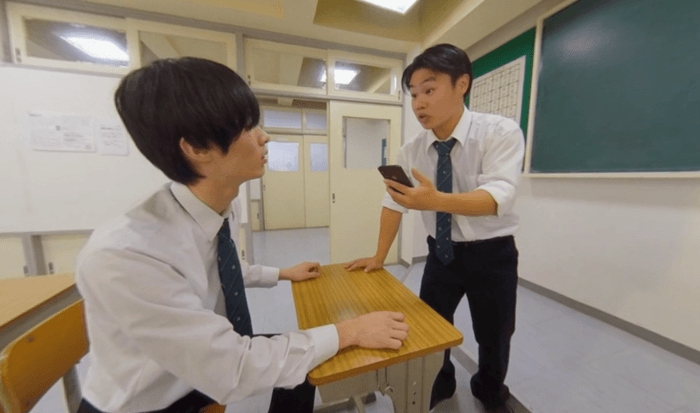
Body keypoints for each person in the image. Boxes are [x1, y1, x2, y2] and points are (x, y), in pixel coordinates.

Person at [75, 57, 410, 413]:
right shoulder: (126, 256)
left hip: (198, 364)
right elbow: (231, 369)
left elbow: (223, 270)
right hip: (152, 402)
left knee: (304, 368)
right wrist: (350, 331)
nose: (264, 137)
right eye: (248, 128)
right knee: (316, 350)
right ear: (198, 149)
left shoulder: (219, 205)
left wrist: (283, 273)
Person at [345, 44, 524, 413]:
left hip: (492, 255)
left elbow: (497, 197)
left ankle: (490, 391)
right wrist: (379, 257)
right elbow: (394, 203)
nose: (419, 103)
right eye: (413, 94)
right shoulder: (411, 150)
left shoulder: (499, 132)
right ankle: (440, 384)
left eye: (429, 89)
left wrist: (435, 200)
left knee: (494, 334)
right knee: (430, 329)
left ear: (462, 85)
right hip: (441, 255)